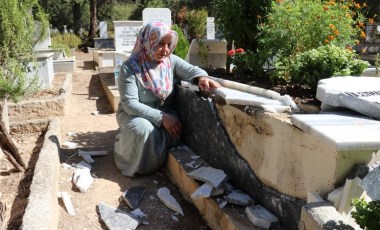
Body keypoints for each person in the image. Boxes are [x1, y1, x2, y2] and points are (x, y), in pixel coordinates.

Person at [114, 22, 221, 177]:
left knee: (171, 131)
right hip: (134, 115)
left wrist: (201, 78)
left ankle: (151, 156)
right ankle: (127, 160)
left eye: (168, 44)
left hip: (165, 113)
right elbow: (130, 104)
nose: (165, 50)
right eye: (160, 44)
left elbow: (192, 70)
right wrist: (161, 117)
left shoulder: (170, 61)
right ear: (148, 42)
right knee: (143, 129)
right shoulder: (129, 67)